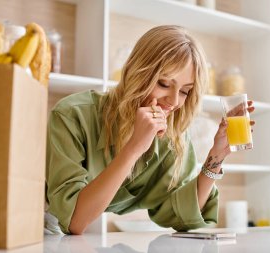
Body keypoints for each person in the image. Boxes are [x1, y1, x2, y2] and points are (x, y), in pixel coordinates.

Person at [45, 25, 255, 235]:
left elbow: (182, 217)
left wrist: (216, 157)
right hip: (45, 230)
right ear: (138, 73)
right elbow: (74, 221)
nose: (173, 101)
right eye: (164, 84)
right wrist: (135, 147)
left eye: (184, 91)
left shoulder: (172, 134)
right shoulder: (72, 115)